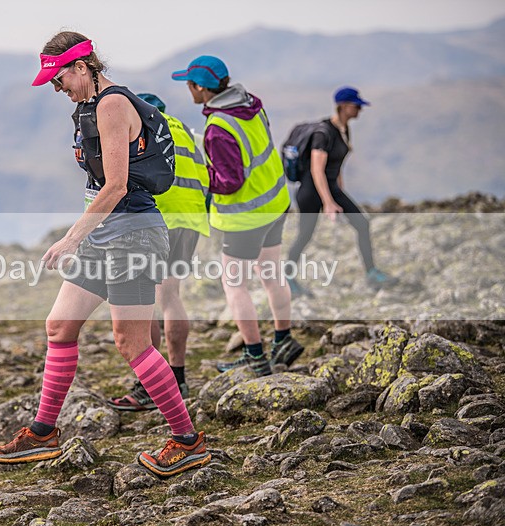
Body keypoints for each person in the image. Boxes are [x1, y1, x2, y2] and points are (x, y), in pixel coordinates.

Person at [0, 32, 211, 477]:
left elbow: (116, 186)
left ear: (83, 65)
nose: (57, 87)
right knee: (60, 326)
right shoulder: (87, 107)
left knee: (131, 342)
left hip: (132, 234)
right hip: (107, 234)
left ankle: (187, 441)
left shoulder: (110, 105)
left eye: (60, 77)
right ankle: (43, 434)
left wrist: (71, 239)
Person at [171, 56, 303, 372]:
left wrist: (202, 173)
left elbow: (229, 183)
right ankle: (283, 339)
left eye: (189, 84)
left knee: (234, 285)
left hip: (246, 218)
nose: (188, 90)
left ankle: (255, 356)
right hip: (275, 204)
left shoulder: (218, 128)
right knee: (271, 274)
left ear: (201, 87)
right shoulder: (252, 104)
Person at [106, 93, 209, 411]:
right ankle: (177, 378)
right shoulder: (186, 132)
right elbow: (206, 177)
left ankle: (148, 385)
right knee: (171, 297)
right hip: (191, 220)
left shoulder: (144, 133)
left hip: (157, 220)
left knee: (144, 300)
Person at [286, 87, 397, 295]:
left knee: (362, 223)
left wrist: (340, 194)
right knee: (305, 235)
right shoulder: (323, 133)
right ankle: (288, 277)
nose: (360, 110)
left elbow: (335, 166)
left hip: (331, 188)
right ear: (343, 106)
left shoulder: (343, 130)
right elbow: (316, 170)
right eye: (356, 106)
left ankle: (371, 272)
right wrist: (328, 202)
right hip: (311, 191)